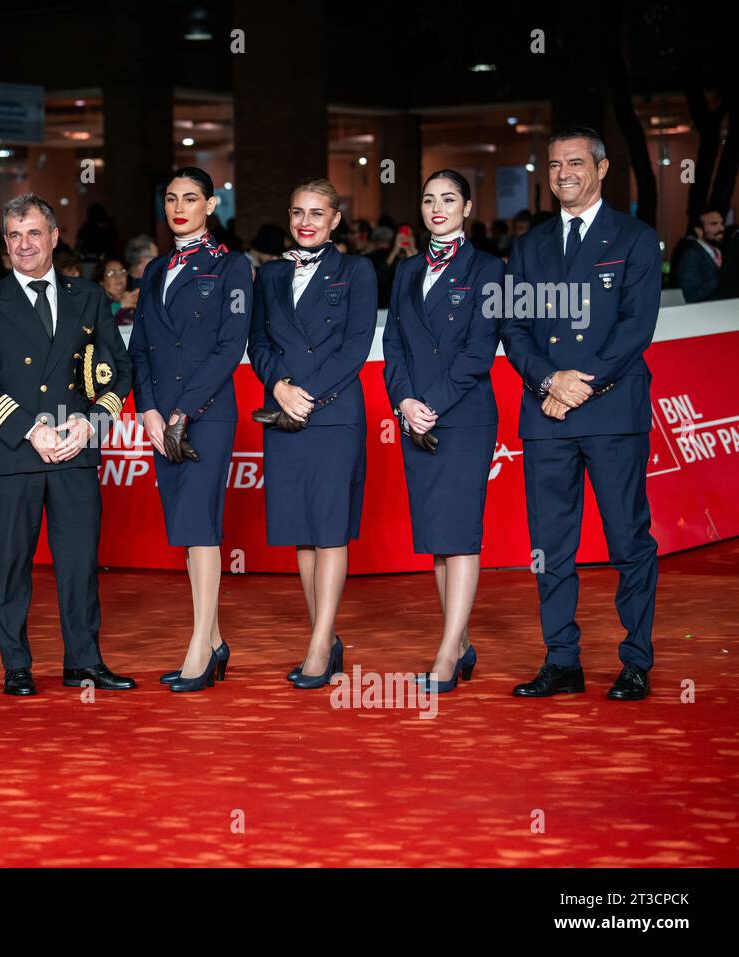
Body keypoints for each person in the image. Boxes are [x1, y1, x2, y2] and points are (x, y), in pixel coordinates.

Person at [500, 126, 661, 701]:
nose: (563, 172)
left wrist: (575, 386)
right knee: (551, 544)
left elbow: (635, 328)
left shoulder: (635, 239)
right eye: (553, 164)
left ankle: (636, 659)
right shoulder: (529, 244)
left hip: (612, 413)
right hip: (545, 416)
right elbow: (513, 327)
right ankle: (562, 659)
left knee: (627, 539)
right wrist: (549, 380)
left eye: (574, 162)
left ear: (601, 168)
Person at [0, 193, 135, 696]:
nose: (23, 245)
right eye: (14, 236)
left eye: (33, 233)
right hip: (15, 451)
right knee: (13, 563)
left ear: (55, 237)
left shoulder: (89, 298)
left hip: (75, 447)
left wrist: (92, 422)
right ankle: (16, 664)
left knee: (79, 562)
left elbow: (119, 371)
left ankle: (84, 660)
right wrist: (28, 430)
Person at [247, 178, 378, 689]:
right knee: (301, 533)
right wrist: (278, 385)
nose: (306, 221)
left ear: (335, 220)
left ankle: (320, 646)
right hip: (282, 411)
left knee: (329, 530)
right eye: (299, 212)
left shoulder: (357, 270)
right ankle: (324, 633)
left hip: (333, 412)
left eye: (317, 213)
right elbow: (256, 339)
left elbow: (356, 346)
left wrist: (306, 395)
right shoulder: (271, 274)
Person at [128, 167, 252, 692]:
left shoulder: (233, 267)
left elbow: (231, 347)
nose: (179, 206)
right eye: (171, 197)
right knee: (185, 529)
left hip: (206, 415)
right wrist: (150, 411)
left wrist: (183, 411)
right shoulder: (155, 270)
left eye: (191, 198)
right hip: (161, 419)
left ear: (211, 204)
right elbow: (139, 348)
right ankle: (217, 639)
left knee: (200, 529)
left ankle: (200, 647)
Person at [382, 170, 504, 693]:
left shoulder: (490, 270)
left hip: (463, 415)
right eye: (429, 199)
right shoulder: (407, 270)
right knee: (437, 536)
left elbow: (479, 353)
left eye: (448, 199)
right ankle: (460, 641)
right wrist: (405, 400)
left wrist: (430, 403)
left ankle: (447, 655)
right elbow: (393, 345)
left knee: (460, 534)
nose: (437, 208)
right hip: (416, 415)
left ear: (467, 207)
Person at [676, 208, 725, 302]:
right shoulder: (691, 256)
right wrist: (723, 274)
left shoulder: (720, 251)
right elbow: (692, 297)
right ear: (699, 230)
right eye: (714, 224)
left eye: (722, 223)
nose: (721, 228)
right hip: (705, 314)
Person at [95, 257, 138, 323]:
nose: (119, 277)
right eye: (111, 273)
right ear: (101, 282)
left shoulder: (132, 297)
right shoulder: (96, 302)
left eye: (122, 271)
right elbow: (96, 319)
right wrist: (120, 305)